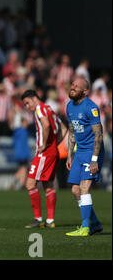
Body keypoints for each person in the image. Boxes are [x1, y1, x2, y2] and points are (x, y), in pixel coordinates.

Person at [65, 76, 105, 237]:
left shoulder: (91, 107)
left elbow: (99, 135)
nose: (72, 87)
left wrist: (94, 160)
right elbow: (72, 131)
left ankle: (85, 227)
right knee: (75, 191)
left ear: (85, 91)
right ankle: (95, 224)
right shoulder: (69, 106)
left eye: (76, 86)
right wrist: (69, 155)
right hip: (79, 152)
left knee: (84, 188)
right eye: (72, 85)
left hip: (92, 152)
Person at [21, 89, 67, 229]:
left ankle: (38, 219)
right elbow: (63, 130)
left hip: (45, 152)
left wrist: (45, 143)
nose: (27, 107)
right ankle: (50, 221)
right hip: (53, 151)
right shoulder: (50, 109)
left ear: (34, 98)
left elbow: (46, 125)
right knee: (48, 185)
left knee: (30, 184)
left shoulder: (40, 108)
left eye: (27, 103)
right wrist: (55, 144)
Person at [11, 117, 31, 190]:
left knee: (22, 169)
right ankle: (21, 184)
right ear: (22, 123)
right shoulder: (24, 132)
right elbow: (24, 145)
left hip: (18, 153)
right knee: (24, 169)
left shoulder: (16, 132)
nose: (27, 124)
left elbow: (14, 143)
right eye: (26, 123)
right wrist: (28, 155)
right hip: (23, 154)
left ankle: (15, 181)